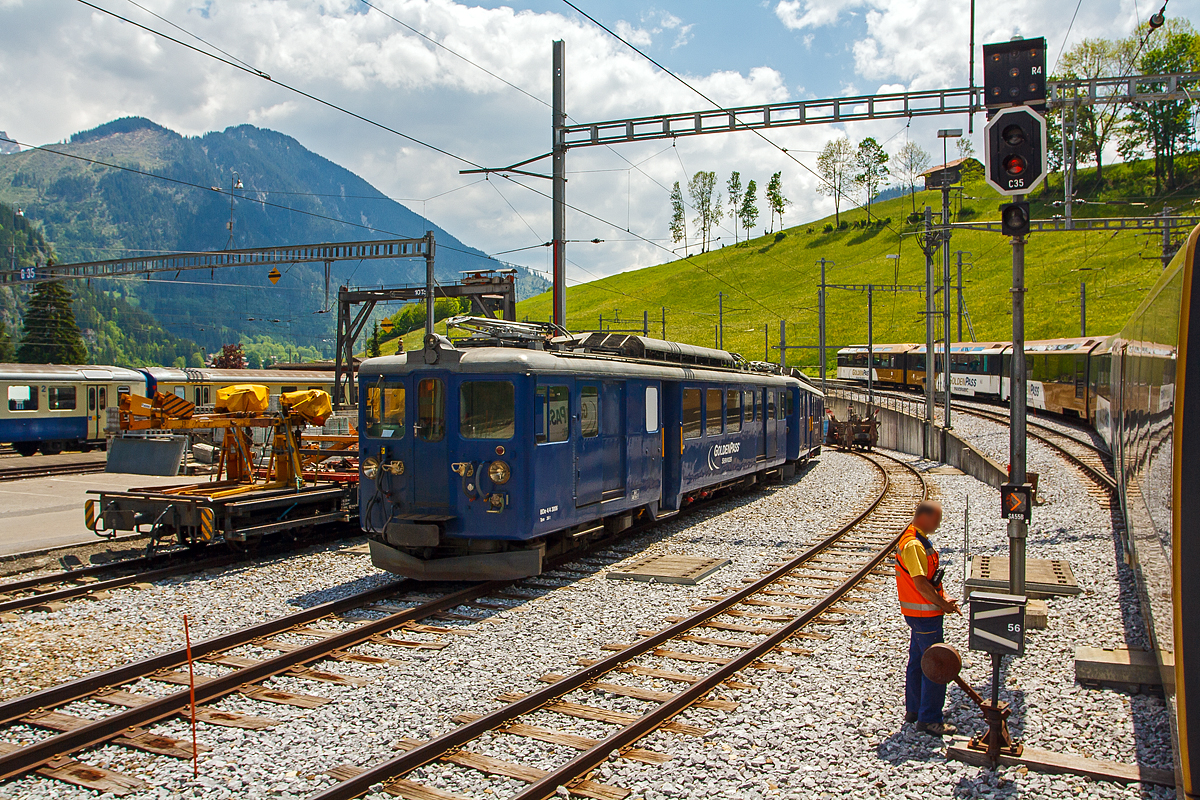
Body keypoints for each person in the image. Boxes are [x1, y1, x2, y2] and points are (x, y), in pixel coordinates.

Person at [895, 499, 961, 735]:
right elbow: (921, 584)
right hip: (924, 614)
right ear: (924, 516)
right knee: (936, 664)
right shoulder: (913, 544)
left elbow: (929, 580)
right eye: (937, 519)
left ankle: (914, 710)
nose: (939, 524)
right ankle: (929, 718)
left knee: (917, 661)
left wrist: (943, 597)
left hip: (920, 613)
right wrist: (943, 604)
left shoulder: (917, 538)